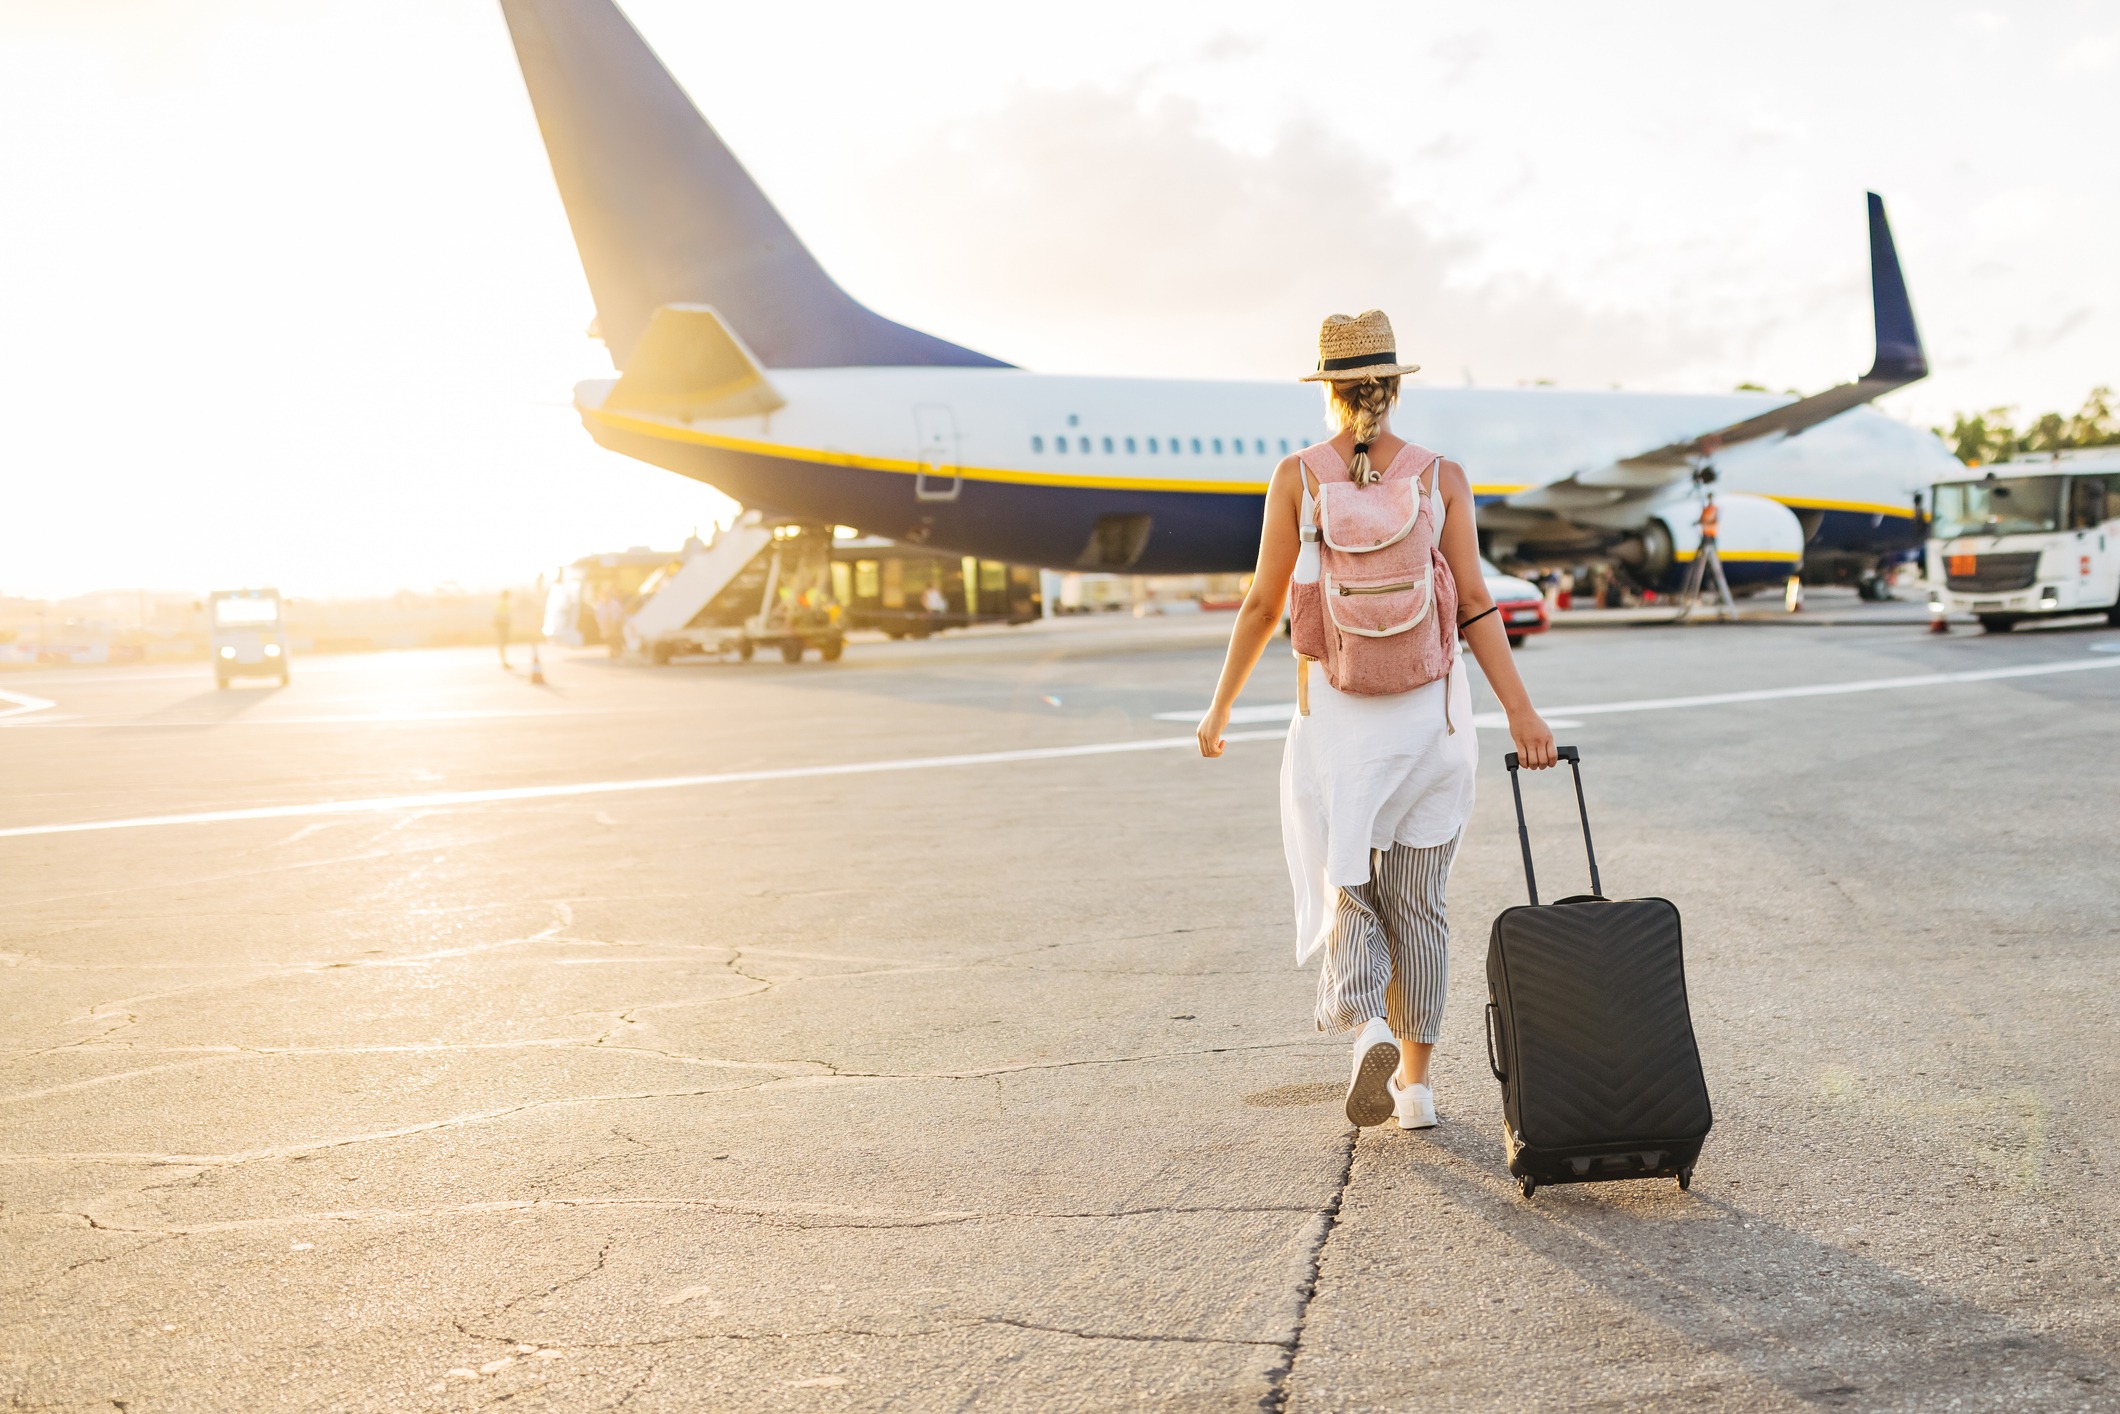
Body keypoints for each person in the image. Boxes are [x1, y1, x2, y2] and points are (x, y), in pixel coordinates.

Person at [1197, 310, 1556, 1133]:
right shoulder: (1442, 477)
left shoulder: (1300, 477)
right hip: (1434, 721)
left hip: (1338, 721)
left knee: (1351, 885)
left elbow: (1261, 603)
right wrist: (1522, 713)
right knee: (1421, 902)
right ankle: (1418, 1091)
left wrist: (1220, 707)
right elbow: (1473, 604)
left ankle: (1365, 1028)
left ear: (1329, 393)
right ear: (1393, 389)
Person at [494, 589, 513, 668]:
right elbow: (499, 615)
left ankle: (504, 661)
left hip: (502, 625)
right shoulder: (503, 603)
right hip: (502, 625)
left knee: (502, 643)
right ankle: (503, 661)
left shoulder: (502, 603)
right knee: (502, 643)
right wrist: (506, 620)